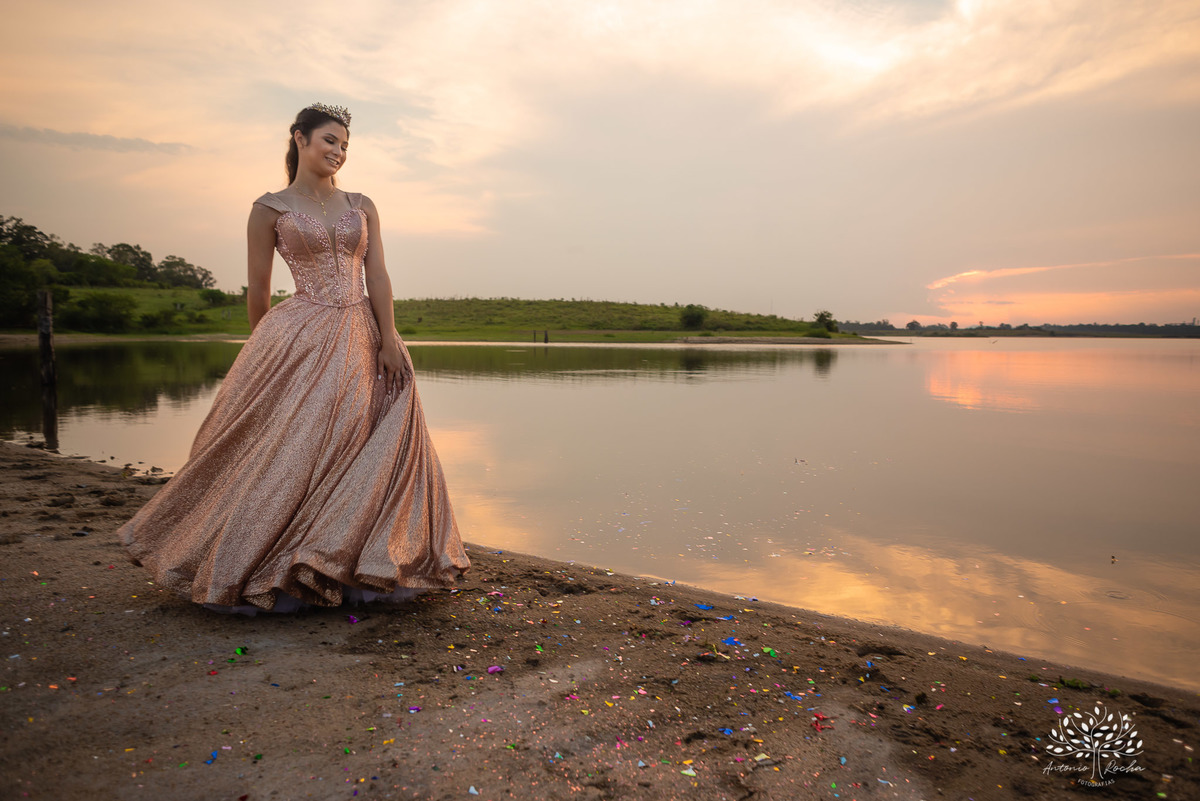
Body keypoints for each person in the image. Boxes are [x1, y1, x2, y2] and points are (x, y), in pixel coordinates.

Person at [118, 103, 470, 614]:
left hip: (365, 333)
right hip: (301, 334)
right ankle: (275, 561)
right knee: (298, 447)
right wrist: (268, 354)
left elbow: (379, 276)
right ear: (300, 138)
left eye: (346, 145)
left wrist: (389, 337)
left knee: (367, 440)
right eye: (330, 140)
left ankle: (356, 561)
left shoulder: (362, 203)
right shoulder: (269, 209)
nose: (339, 152)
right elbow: (258, 291)